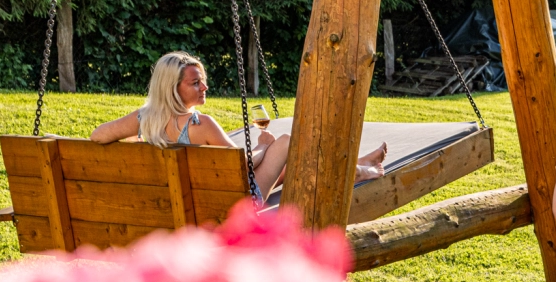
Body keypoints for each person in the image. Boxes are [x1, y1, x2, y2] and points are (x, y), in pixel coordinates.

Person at [90, 51, 387, 197]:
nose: (204, 87)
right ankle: (362, 170)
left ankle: (357, 165)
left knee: (282, 164)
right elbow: (242, 167)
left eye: (203, 81)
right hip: (232, 207)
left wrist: (138, 142)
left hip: (185, 201)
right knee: (286, 142)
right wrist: (261, 146)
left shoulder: (144, 119)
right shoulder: (199, 124)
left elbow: (98, 135)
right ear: (172, 88)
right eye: (196, 83)